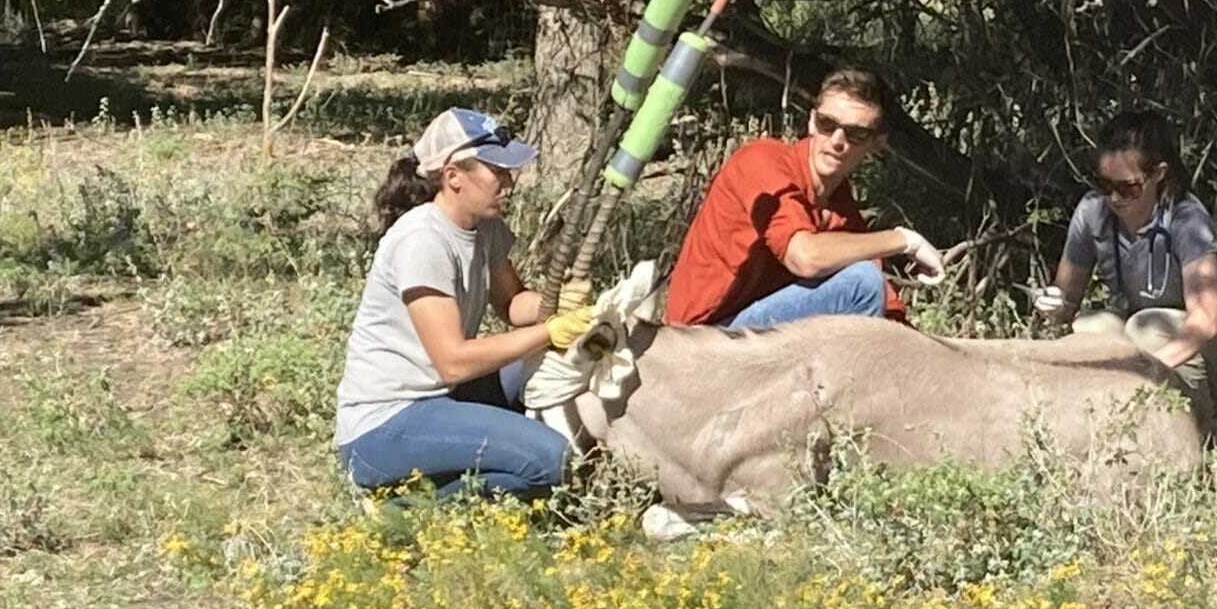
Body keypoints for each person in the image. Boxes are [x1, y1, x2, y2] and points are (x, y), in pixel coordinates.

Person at [333, 108, 596, 498]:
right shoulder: (422, 240)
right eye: (497, 171)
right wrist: (547, 331)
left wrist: (557, 306)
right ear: (453, 175)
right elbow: (453, 361)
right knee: (552, 460)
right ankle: (404, 507)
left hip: (443, 398)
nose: (509, 183)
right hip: (385, 422)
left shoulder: (485, 227)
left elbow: (513, 304)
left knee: (552, 367)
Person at [1032, 110, 1217, 439]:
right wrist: (1054, 305)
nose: (1114, 198)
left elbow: (1206, 321)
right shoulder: (1092, 212)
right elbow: (1068, 303)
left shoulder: (1187, 219)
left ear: (1158, 175)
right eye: (1104, 185)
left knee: (1147, 328)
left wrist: (1139, 372)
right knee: (1090, 328)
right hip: (1149, 344)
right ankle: (1107, 430)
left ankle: (1208, 432)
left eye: (1128, 188)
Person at [663, 68, 946, 328]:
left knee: (868, 287)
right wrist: (904, 240)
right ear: (811, 121)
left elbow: (886, 300)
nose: (837, 140)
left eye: (856, 134)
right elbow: (806, 257)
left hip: (749, 332)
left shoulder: (838, 203)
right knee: (861, 284)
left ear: (876, 144)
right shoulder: (761, 161)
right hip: (701, 341)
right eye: (827, 123)